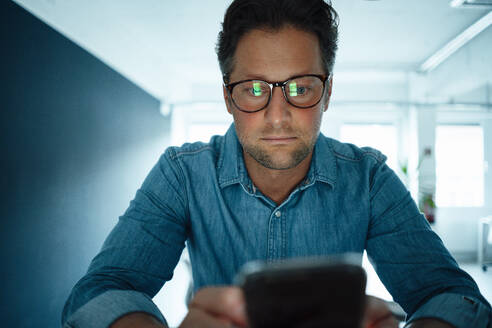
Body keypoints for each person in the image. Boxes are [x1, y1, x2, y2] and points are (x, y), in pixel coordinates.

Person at [62, 0, 491, 327]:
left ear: (327, 93)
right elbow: (99, 293)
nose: (277, 115)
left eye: (301, 87)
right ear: (227, 96)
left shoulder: (370, 178)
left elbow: (453, 297)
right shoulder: (182, 174)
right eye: (253, 89)